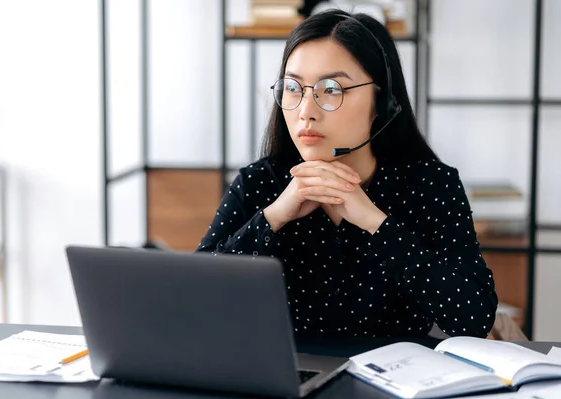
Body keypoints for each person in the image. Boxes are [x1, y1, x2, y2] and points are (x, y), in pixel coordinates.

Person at [196, 10, 498, 340]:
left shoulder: (431, 184)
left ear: (380, 102)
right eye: (294, 88)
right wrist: (273, 217)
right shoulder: (258, 183)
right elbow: (194, 301)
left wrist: (376, 223)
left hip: (398, 381)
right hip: (284, 380)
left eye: (331, 89)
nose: (306, 112)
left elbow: (474, 319)